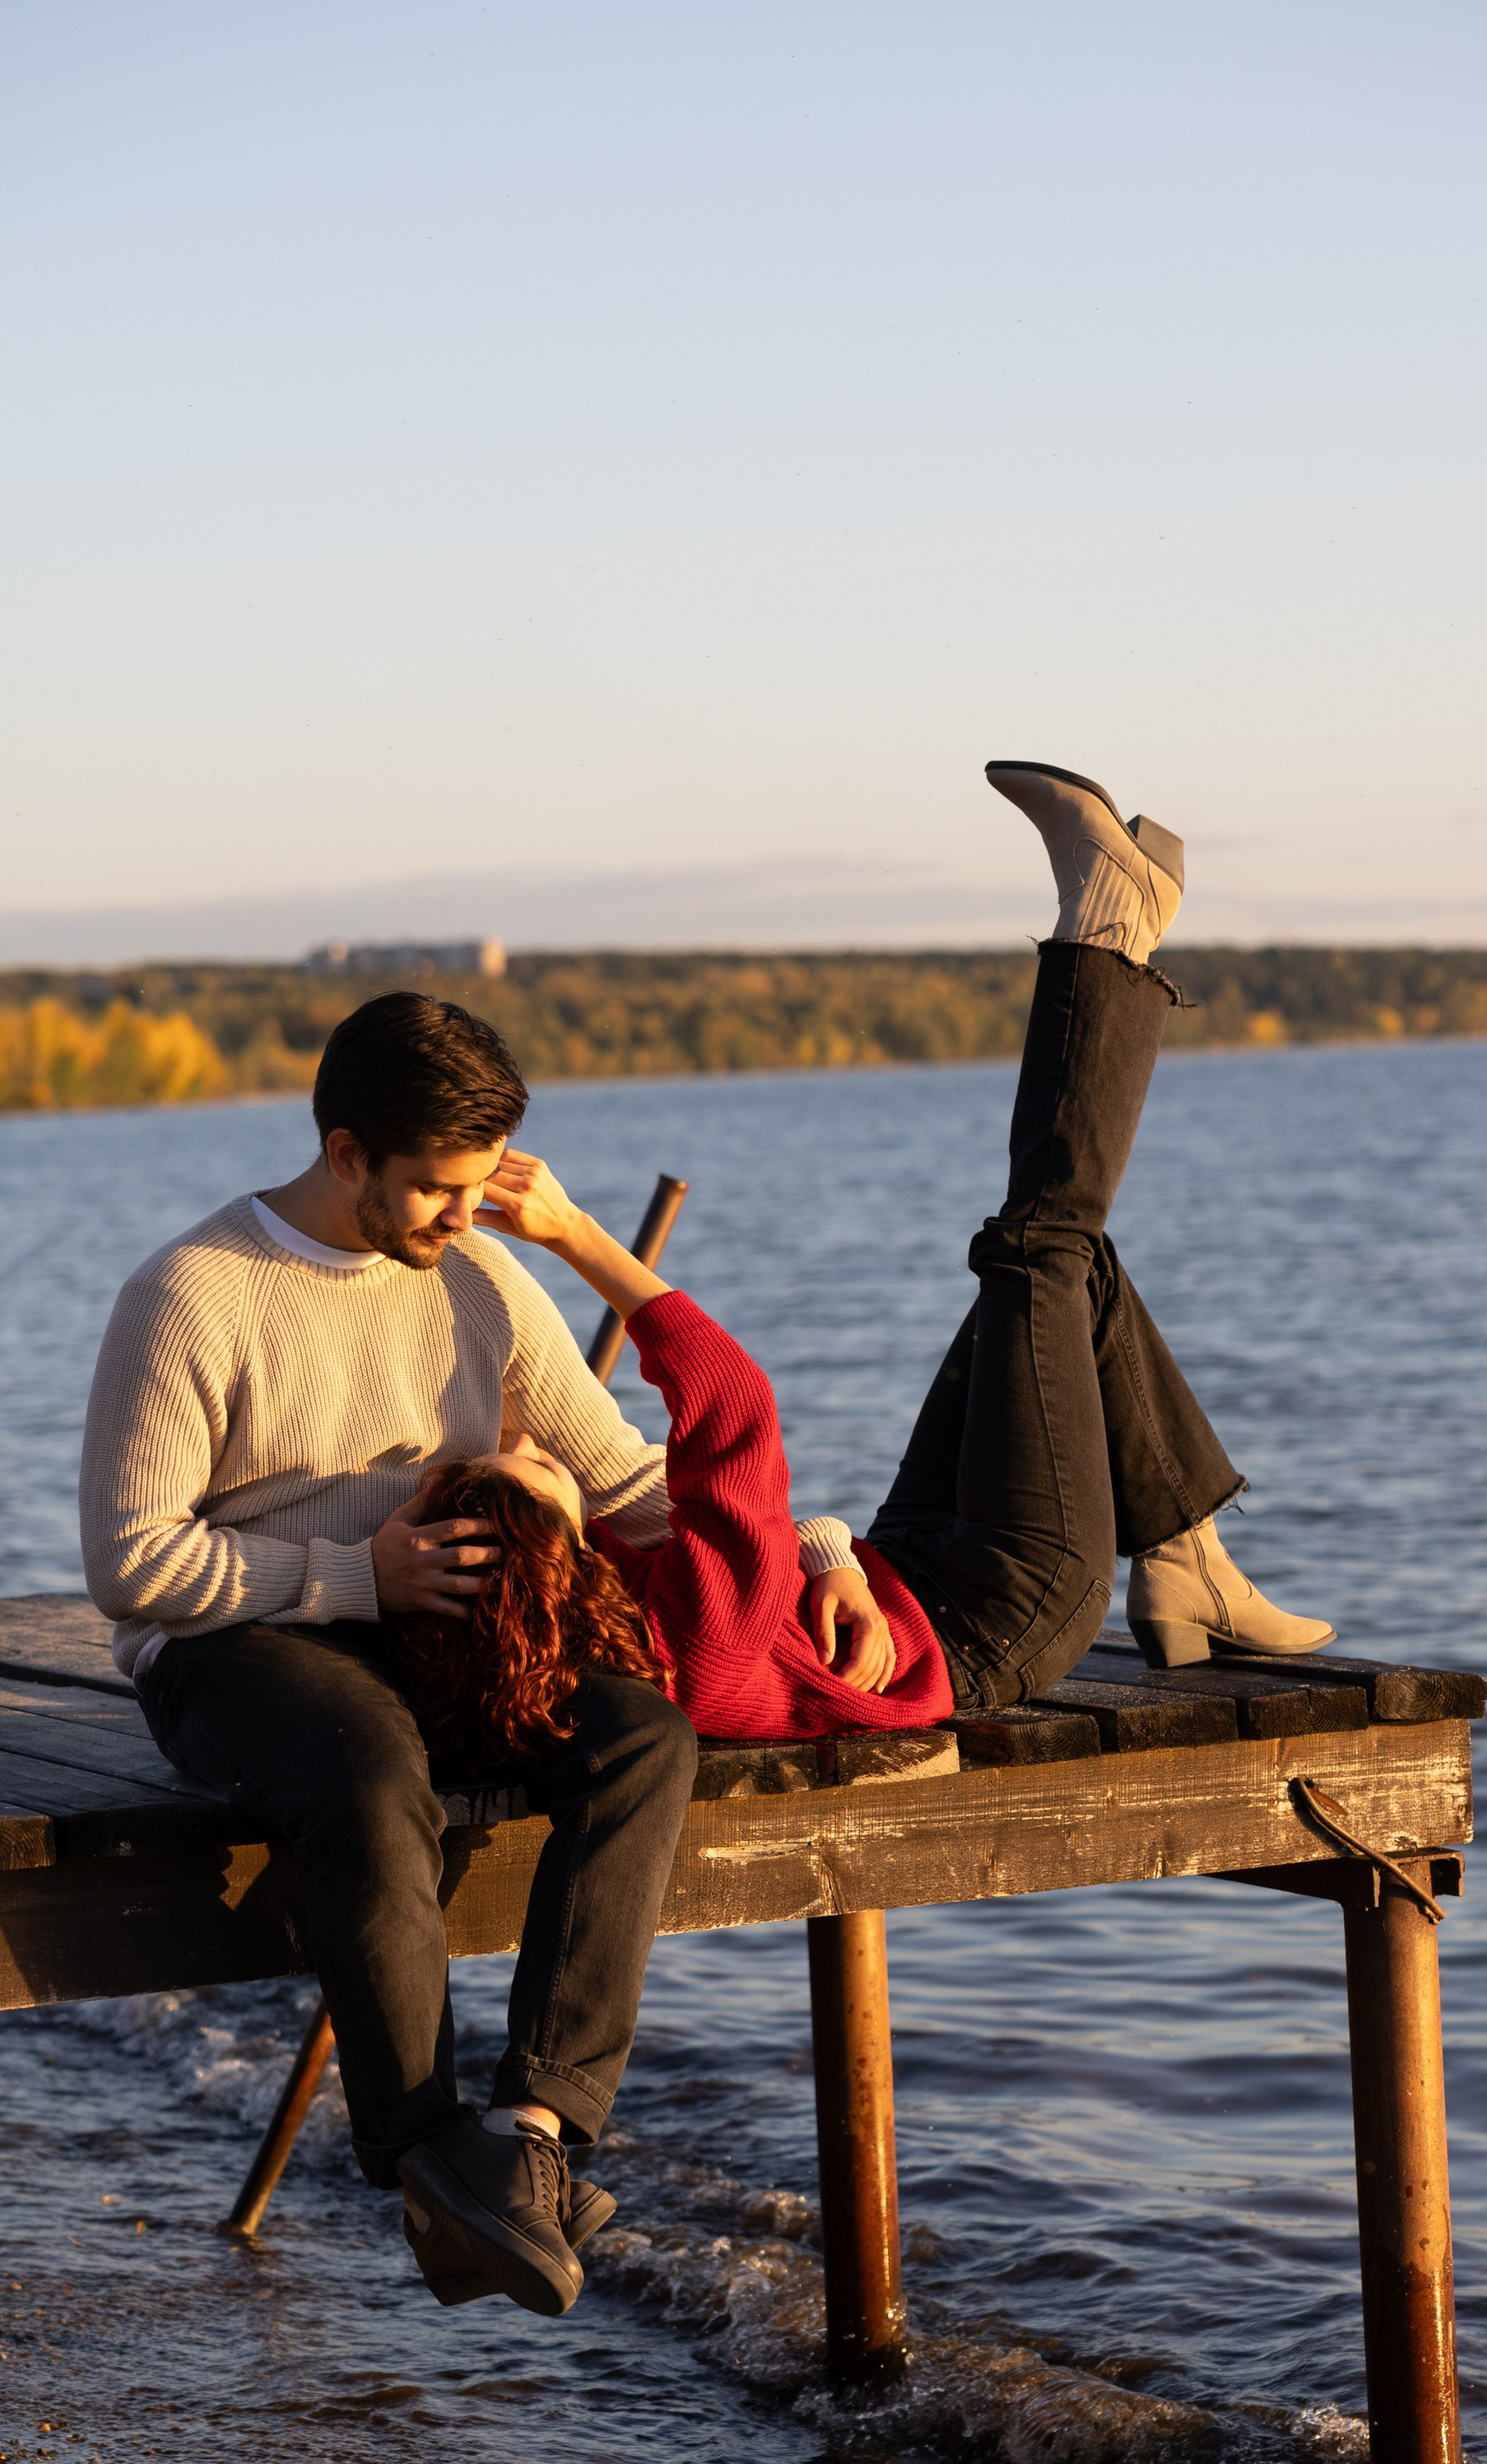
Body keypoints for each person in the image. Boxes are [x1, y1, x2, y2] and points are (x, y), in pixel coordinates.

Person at [382, 760, 1334, 2162]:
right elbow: (734, 1408)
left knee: (1051, 1275)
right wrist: (583, 1239)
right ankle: (1108, 933)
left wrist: (823, 1554)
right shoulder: (680, 1635)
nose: (537, 1450)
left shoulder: (610, 1616)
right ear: (545, 1554)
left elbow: (774, 1524)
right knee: (1037, 1253)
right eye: (528, 1474)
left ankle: (1186, 1558)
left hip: (905, 1564)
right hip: (1004, 1605)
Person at [80, 989, 889, 2322]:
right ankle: (420, 2149)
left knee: (642, 1734)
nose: (467, 1219)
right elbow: (132, 1566)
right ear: (347, 1155)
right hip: (237, 1637)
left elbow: (635, 1487)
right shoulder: (191, 1292)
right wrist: (355, 1575)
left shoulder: (478, 1281)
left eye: (478, 1190)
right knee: (368, 1770)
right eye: (439, 1192)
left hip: (446, 1638)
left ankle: (531, 2132)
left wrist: (817, 1548)